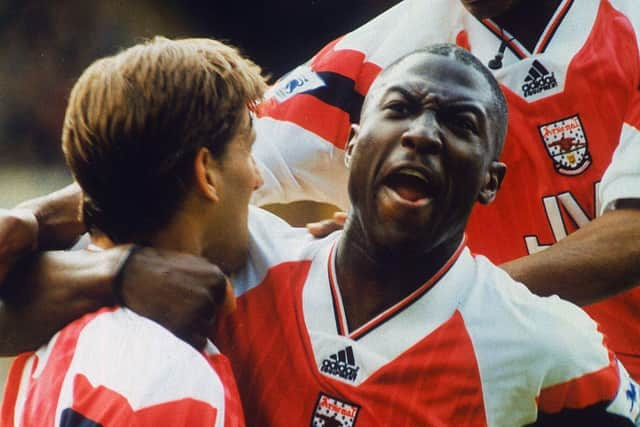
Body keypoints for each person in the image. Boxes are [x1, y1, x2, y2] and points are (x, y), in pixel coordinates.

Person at [5, 43, 640, 426]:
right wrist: (120, 272)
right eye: (399, 109)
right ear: (353, 144)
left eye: (459, 122)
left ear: (489, 181)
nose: (422, 132)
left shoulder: (545, 341)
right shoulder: (241, 253)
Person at [247, 0, 640, 376]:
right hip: (500, 390)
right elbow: (215, 158)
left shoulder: (630, 25)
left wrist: (430, 293)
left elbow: (631, 238)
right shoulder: (377, 63)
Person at [0, 36, 269, 426]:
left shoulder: (52, 332)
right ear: (206, 171)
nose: (258, 178)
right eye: (248, 150)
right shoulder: (171, 377)